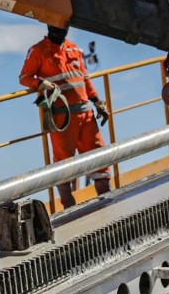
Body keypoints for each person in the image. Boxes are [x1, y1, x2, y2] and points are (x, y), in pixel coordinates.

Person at [19, 25, 111, 208]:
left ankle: (108, 203)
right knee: (64, 167)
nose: (60, 30)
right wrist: (39, 83)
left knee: (100, 159)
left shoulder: (74, 48)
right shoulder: (38, 50)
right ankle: (69, 210)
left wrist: (97, 101)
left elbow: (84, 78)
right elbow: (24, 77)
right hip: (62, 119)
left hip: (86, 116)